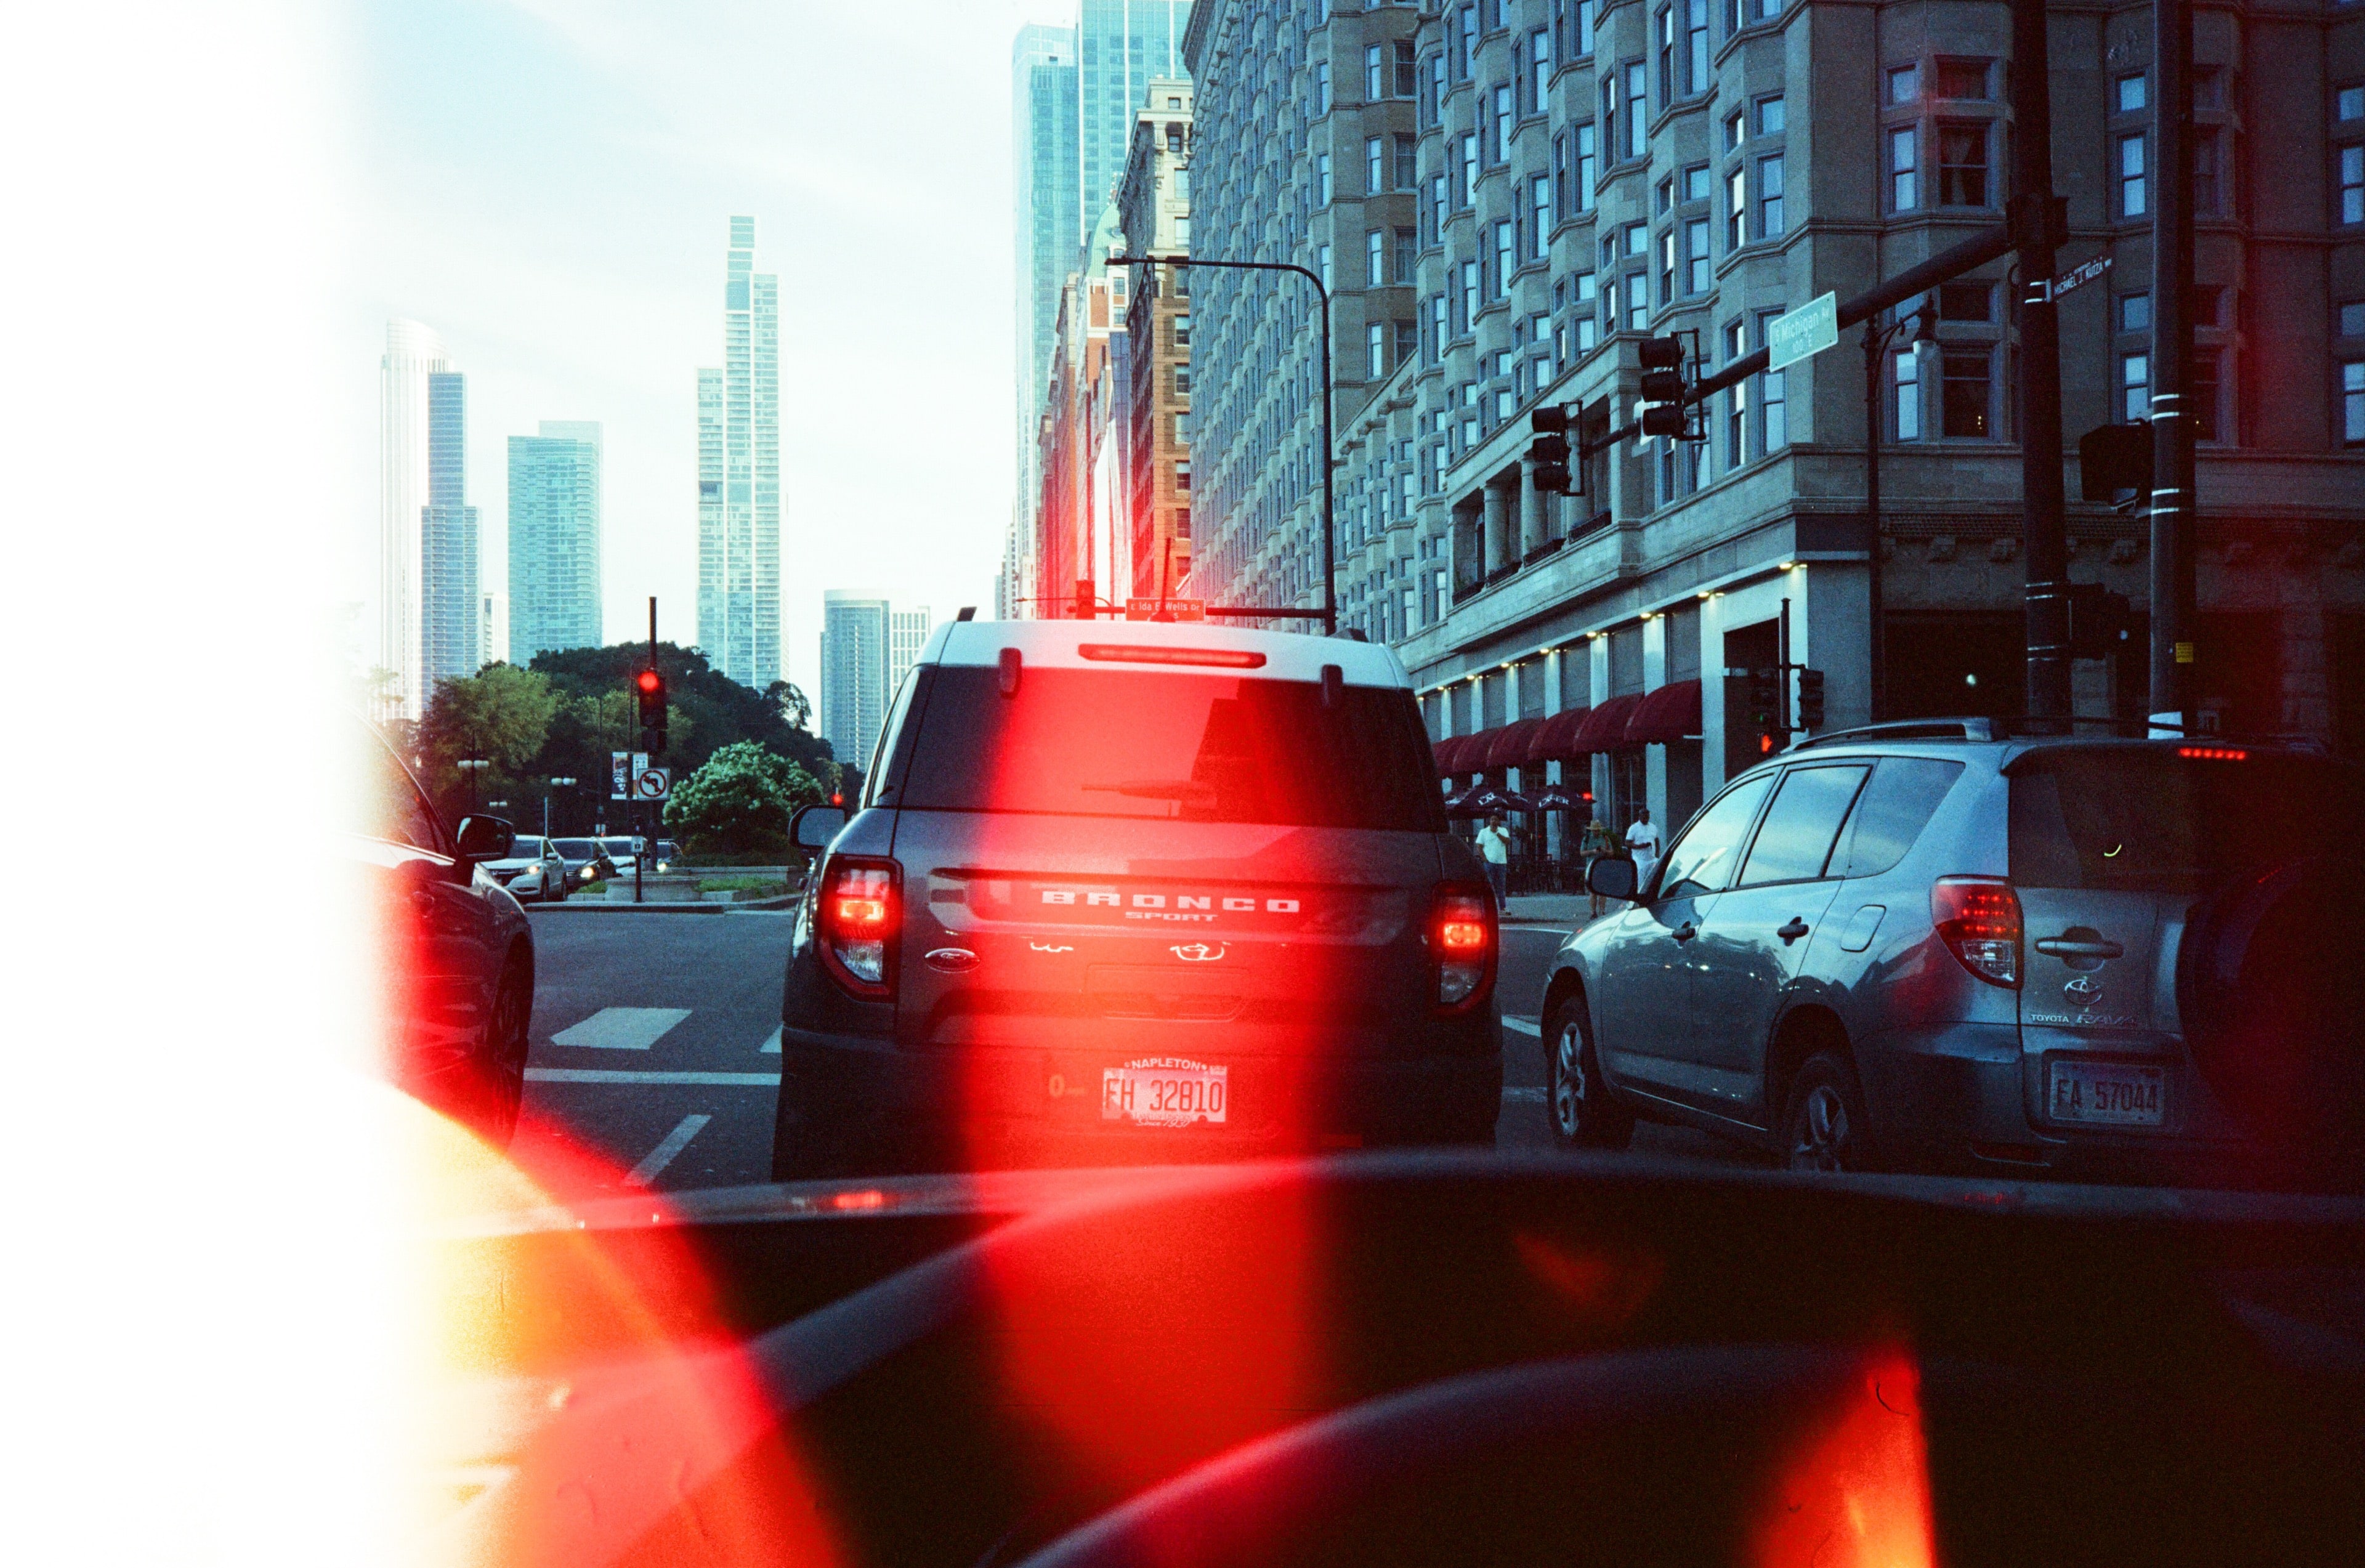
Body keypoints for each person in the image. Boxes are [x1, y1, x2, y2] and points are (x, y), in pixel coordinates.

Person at [1580, 815, 1620, 919]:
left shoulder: (1605, 838)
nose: (1597, 832)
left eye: (1598, 830)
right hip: (1591, 867)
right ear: (1592, 830)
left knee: (1602, 891)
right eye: (1595, 830)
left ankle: (1602, 911)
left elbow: (1611, 852)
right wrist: (1593, 852)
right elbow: (1582, 853)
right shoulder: (1587, 839)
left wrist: (1604, 851)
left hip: (1602, 867)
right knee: (1593, 892)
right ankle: (1593, 912)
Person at [1476, 812, 1511, 913]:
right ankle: (1489, 908)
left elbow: (1507, 841)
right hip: (1489, 863)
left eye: (1495, 819)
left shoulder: (1503, 831)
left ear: (1499, 821)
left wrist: (1497, 834)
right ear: (1489, 821)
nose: (1493, 821)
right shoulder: (1483, 832)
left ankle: (1502, 907)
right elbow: (1479, 846)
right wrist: (1484, 859)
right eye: (1492, 819)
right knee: (1489, 886)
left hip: (1501, 863)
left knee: (1501, 886)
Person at [1623, 807, 1662, 893]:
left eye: (1647, 817)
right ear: (1640, 816)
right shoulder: (1634, 828)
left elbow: (1657, 841)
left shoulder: (1653, 827)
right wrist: (1639, 846)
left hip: (1652, 859)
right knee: (1640, 882)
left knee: (1654, 881)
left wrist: (1657, 855)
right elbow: (1627, 843)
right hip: (1640, 859)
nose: (1646, 819)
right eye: (1644, 817)